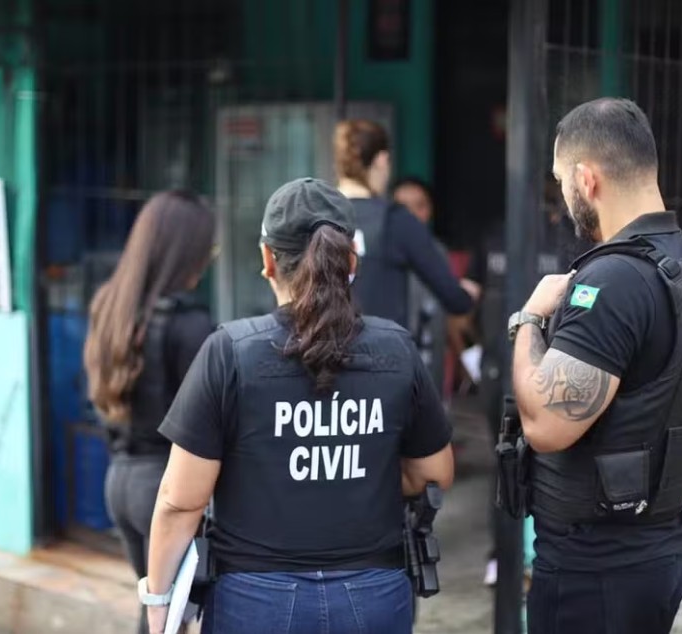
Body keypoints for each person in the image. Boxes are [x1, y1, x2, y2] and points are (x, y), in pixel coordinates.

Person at [141, 178, 455, 634]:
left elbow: (178, 502)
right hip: (375, 595)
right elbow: (433, 474)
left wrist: (159, 604)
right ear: (351, 260)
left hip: (254, 601)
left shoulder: (230, 351)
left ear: (268, 259)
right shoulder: (397, 349)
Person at [510, 98, 682, 634]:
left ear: (587, 179)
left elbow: (546, 425)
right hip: (660, 543)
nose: (561, 197)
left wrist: (529, 319)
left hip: (598, 565)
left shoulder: (614, 283)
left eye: (561, 180)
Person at [83, 191, 216, 634]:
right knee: (170, 619)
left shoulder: (111, 305)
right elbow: (209, 425)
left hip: (120, 481)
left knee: (157, 615)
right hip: (165, 489)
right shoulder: (190, 325)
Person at [464, 178, 580, 587]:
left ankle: (541, 555)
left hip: (552, 368)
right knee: (506, 461)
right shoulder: (496, 233)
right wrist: (470, 350)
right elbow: (468, 297)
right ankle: (505, 554)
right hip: (499, 364)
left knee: (550, 460)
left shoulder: (570, 239)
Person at [334, 120, 476, 330]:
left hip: (322, 357)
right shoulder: (394, 219)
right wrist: (467, 293)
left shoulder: (312, 217)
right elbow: (454, 299)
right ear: (382, 160)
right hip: (381, 356)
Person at [392, 176, 478, 398]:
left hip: (431, 367)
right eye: (403, 208)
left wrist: (465, 360)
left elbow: (452, 312)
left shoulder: (438, 253)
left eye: (419, 206)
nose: (411, 215)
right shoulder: (382, 254)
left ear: (429, 210)